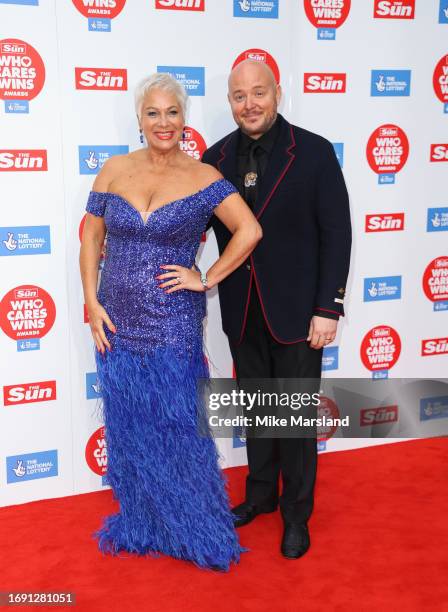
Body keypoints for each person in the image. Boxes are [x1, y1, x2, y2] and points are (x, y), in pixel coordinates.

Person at [79, 73, 262, 571]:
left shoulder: (202, 177)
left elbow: (249, 230)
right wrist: (92, 302)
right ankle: (144, 522)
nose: (164, 122)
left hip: (173, 323)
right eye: (153, 113)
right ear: (140, 119)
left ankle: (196, 529)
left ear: (185, 120)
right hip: (115, 322)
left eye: (173, 113)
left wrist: (206, 277)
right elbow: (91, 239)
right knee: (131, 427)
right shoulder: (113, 170)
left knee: (180, 427)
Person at [202, 60, 351, 559]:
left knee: (293, 420)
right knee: (258, 414)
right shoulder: (215, 157)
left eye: (258, 92)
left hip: (297, 312)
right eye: (239, 95)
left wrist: (327, 308)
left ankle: (296, 515)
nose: (250, 104)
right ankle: (261, 496)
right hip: (242, 310)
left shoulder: (313, 152)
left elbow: (337, 234)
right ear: (230, 101)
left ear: (278, 93)